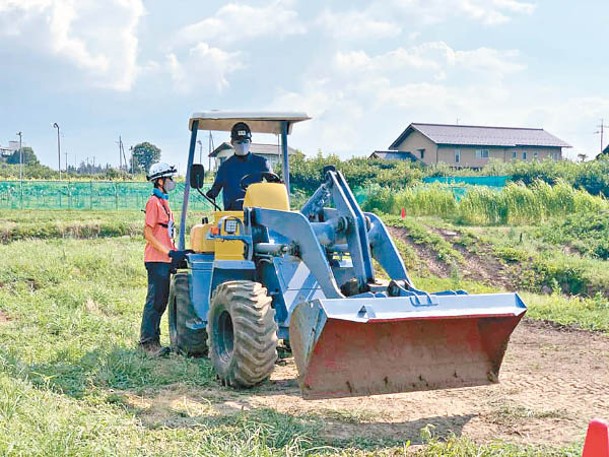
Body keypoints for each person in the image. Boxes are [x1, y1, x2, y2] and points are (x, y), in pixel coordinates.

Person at [140, 162, 189, 357]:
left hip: (165, 259)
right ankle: (146, 342)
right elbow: (148, 234)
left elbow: (166, 234)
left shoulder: (164, 203)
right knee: (154, 301)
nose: (172, 182)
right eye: (170, 179)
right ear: (160, 181)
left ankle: (155, 340)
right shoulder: (153, 202)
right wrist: (168, 253)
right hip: (156, 259)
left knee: (161, 301)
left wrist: (177, 252)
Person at [206, 122, 272, 210]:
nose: (242, 145)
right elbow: (216, 188)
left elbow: (274, 185)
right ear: (232, 143)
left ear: (250, 142)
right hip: (232, 215)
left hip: (257, 213)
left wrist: (279, 186)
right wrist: (212, 193)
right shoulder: (225, 167)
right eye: (239, 142)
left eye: (245, 142)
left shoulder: (262, 163)